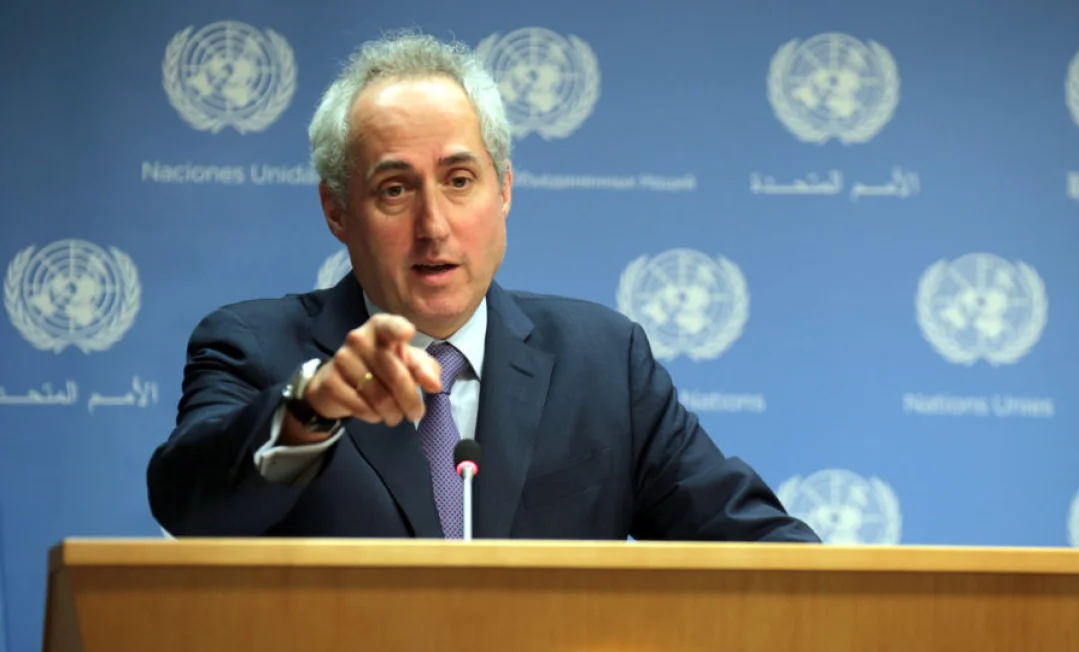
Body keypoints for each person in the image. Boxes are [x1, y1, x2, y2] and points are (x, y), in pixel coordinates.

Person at [146, 30, 820, 543]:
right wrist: (312, 409)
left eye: (459, 180)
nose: (432, 225)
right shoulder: (254, 345)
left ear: (503, 191)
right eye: (394, 189)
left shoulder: (602, 361)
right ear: (336, 212)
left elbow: (752, 546)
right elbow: (191, 508)